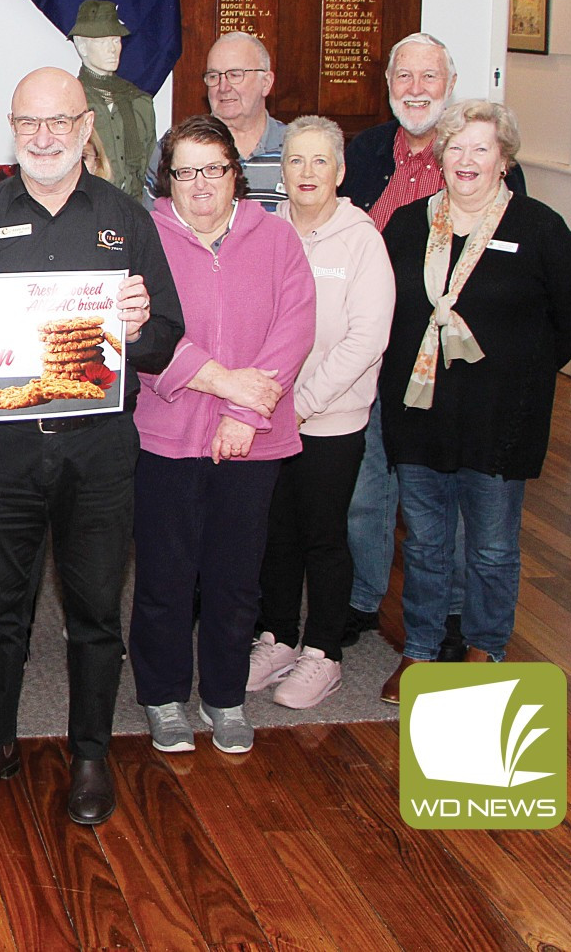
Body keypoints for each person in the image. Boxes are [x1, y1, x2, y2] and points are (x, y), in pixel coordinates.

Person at [0, 68, 181, 826]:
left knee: (96, 609)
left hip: (97, 449)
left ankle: (90, 754)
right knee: (1, 608)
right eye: (29, 124)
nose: (44, 138)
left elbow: (166, 340)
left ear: (83, 129)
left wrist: (138, 328)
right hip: (4, 449)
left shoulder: (127, 220)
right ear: (13, 128)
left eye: (58, 123)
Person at [378, 101, 571, 701]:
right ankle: (420, 650)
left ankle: (485, 646)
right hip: (420, 413)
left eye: (481, 148)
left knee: (493, 546)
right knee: (423, 541)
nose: (466, 160)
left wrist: (523, 375)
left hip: (502, 418)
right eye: (455, 148)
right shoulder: (407, 226)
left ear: (504, 160)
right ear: (440, 158)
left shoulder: (539, 229)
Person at [133, 115, 315, 754]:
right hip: (166, 436)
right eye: (185, 171)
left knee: (237, 578)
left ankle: (225, 696)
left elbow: (294, 327)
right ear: (169, 180)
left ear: (235, 173)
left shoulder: (277, 238)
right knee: (165, 576)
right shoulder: (143, 237)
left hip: (254, 440)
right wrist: (222, 385)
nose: (200, 184)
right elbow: (139, 337)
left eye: (213, 168)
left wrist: (247, 411)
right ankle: (162, 697)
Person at [338, 33, 525, 652]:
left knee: (455, 501)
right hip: (372, 348)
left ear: (450, 82)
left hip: (454, 365)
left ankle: (453, 619)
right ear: (387, 83)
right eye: (404, 78)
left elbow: (536, 291)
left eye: (429, 78)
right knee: (370, 488)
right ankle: (363, 599)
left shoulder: (484, 164)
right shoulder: (362, 150)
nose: (415, 90)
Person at [247, 117, 394, 711]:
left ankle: (324, 652)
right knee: (275, 534)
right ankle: (278, 638)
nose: (307, 173)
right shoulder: (265, 232)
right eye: (296, 161)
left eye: (319, 162)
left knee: (323, 537)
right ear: (280, 172)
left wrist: (301, 405)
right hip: (270, 415)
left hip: (331, 420)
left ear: (339, 171)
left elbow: (367, 338)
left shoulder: (361, 239)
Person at [155, 31, 286, 209]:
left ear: (266, 82)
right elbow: (151, 224)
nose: (223, 87)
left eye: (235, 75)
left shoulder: (295, 148)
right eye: (214, 76)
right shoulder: (172, 148)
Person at [71, 0, 156, 197]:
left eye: (116, 40)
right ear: (82, 47)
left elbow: (151, 172)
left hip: (134, 212)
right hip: (87, 212)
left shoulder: (139, 103)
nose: (112, 49)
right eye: (102, 42)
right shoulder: (71, 104)